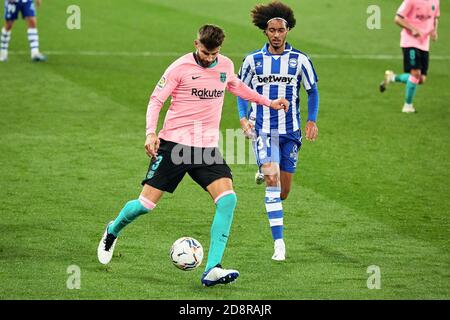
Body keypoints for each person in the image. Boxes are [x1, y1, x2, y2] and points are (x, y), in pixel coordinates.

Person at [97, 24, 289, 287]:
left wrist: (268, 102)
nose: (209, 58)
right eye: (205, 52)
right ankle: (113, 230)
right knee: (145, 205)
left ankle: (212, 268)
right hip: (174, 146)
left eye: (214, 53)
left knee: (228, 200)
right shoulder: (179, 68)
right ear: (196, 44)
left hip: (206, 148)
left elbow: (237, 86)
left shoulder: (225, 66)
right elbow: (156, 100)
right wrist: (150, 133)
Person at [237, 1, 319, 261]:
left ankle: (265, 171)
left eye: (280, 30)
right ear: (265, 31)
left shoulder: (300, 60)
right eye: (271, 30)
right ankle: (279, 244)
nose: (275, 35)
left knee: (284, 192)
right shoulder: (253, 60)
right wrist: (243, 118)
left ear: (287, 31)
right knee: (273, 182)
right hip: (263, 130)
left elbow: (312, 91)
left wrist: (311, 120)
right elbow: (240, 89)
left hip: (290, 132)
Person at [379, 0, 440, 113]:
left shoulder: (435, 0)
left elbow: (435, 17)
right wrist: (412, 29)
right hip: (410, 41)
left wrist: (434, 31)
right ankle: (408, 106)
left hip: (424, 44)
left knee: (421, 79)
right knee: (416, 73)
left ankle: (392, 78)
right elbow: (397, 18)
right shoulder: (411, 0)